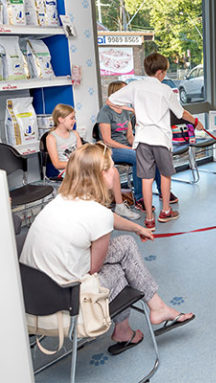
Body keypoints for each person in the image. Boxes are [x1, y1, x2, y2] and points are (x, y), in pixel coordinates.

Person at [20, 143, 195, 355]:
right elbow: (94, 268)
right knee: (122, 271)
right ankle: (139, 320)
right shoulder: (97, 214)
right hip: (68, 301)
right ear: (102, 175)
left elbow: (105, 218)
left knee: (126, 245)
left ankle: (150, 312)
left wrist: (136, 228)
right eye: (112, 166)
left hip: (32, 297)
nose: (114, 170)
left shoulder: (61, 200)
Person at [107, 53, 203, 230]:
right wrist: (196, 123)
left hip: (142, 140)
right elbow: (181, 113)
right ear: (160, 72)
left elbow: (111, 100)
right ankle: (165, 211)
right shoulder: (165, 90)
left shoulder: (135, 86)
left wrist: (134, 108)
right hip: (160, 139)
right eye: (164, 72)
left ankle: (149, 219)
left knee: (146, 178)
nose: (165, 75)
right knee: (165, 175)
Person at [46, 104, 139, 220]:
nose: (74, 121)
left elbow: (82, 154)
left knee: (113, 171)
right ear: (61, 119)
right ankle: (98, 210)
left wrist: (86, 163)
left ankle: (119, 206)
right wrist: (79, 164)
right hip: (67, 171)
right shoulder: (51, 138)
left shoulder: (74, 134)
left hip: (82, 166)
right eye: (72, 118)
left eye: (74, 118)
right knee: (96, 176)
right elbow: (57, 164)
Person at [96, 81, 178, 211]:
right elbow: (107, 141)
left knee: (152, 154)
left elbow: (129, 136)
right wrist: (131, 149)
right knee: (137, 157)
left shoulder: (125, 111)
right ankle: (139, 198)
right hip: (109, 150)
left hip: (125, 148)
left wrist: (136, 144)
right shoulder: (105, 112)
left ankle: (163, 192)